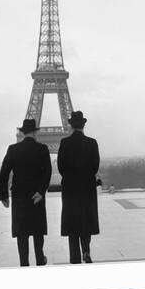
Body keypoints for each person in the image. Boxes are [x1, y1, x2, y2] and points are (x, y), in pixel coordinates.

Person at [0, 119, 52, 267]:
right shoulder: (42, 149)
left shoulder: (13, 149)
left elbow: (3, 174)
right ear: (35, 132)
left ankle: (24, 263)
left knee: (22, 233)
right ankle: (40, 259)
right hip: (36, 196)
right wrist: (41, 192)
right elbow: (47, 173)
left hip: (19, 196)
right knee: (37, 230)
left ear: (22, 132)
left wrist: (3, 195)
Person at [58, 111, 100, 264]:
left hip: (70, 189)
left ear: (71, 125)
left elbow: (61, 167)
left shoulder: (64, 143)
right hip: (87, 187)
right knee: (86, 221)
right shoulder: (92, 142)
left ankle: (74, 256)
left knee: (72, 223)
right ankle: (86, 251)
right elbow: (95, 166)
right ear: (84, 125)